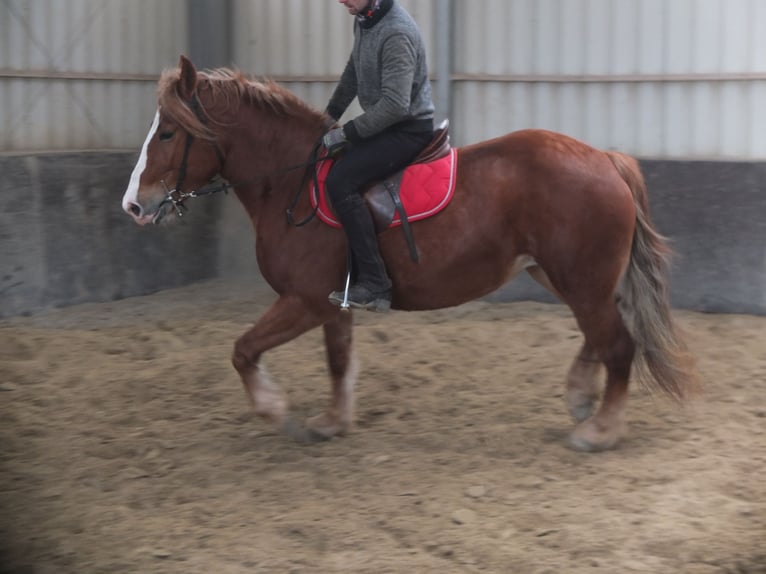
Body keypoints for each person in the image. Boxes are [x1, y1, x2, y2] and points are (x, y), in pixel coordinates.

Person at [323, 0, 435, 312]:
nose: (341, 0)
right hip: (387, 125)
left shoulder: (396, 32)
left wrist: (346, 132)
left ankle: (375, 283)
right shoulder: (364, 18)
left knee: (341, 182)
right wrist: (329, 116)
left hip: (408, 129)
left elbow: (396, 105)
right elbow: (353, 72)